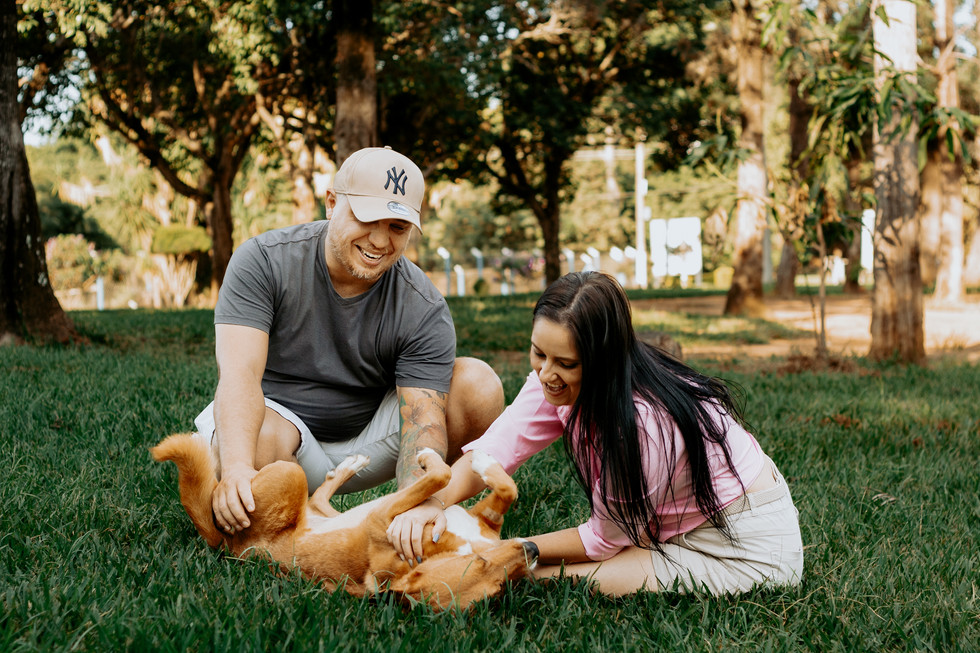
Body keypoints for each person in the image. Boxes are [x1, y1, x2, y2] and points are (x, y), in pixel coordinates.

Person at [388, 271, 803, 595]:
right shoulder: (555, 375)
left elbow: (602, 539)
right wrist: (432, 502)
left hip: (743, 545)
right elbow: (495, 451)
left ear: (602, 360)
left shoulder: (641, 425)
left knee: (524, 573)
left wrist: (504, 547)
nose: (546, 374)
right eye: (538, 353)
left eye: (565, 363)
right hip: (661, 524)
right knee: (513, 565)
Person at [194, 146, 504, 535]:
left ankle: (397, 517)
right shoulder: (263, 261)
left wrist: (414, 500)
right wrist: (237, 467)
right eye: (367, 217)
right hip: (276, 431)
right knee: (256, 463)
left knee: (480, 386)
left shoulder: (421, 305)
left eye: (397, 227)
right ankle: (294, 511)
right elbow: (239, 375)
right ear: (331, 203)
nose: (379, 240)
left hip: (365, 441)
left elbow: (423, 420)